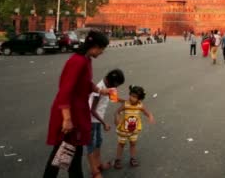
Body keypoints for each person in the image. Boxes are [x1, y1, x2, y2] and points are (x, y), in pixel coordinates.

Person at [43, 31, 110, 178]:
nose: (102, 52)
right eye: (102, 49)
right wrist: (67, 119)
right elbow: (65, 90)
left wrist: (100, 90)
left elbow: (84, 83)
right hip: (69, 112)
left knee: (70, 152)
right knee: (64, 151)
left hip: (78, 111)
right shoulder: (77, 61)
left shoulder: (86, 60)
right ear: (94, 47)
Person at [87, 69, 125, 177]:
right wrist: (104, 123)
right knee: (91, 144)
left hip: (98, 119)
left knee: (98, 141)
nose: (116, 88)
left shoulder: (109, 86)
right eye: (117, 85)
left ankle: (99, 164)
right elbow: (92, 110)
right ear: (112, 81)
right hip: (91, 120)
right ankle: (94, 171)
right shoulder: (99, 90)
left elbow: (114, 98)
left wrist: (125, 101)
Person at [114, 85, 154, 169]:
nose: (132, 98)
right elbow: (117, 111)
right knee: (121, 144)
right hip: (124, 130)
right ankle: (117, 160)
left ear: (139, 99)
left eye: (134, 97)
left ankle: (133, 159)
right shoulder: (126, 104)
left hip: (134, 130)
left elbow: (145, 112)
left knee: (133, 144)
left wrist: (150, 116)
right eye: (131, 95)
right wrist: (117, 119)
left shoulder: (140, 105)